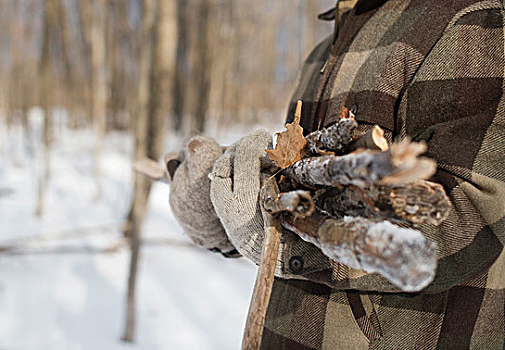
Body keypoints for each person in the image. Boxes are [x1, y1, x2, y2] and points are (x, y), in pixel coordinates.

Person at [167, 0, 505, 348]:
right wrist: (225, 212)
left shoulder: (473, 20)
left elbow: (469, 220)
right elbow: (300, 182)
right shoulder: (322, 50)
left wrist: (282, 241)